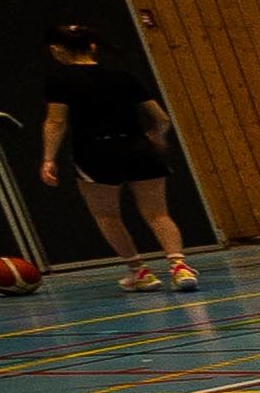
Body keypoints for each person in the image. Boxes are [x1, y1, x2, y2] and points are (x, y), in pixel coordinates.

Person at [34, 21, 195, 290]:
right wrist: (157, 137)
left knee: (107, 215)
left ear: (56, 49)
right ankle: (180, 267)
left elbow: (56, 121)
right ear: (92, 46)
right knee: (158, 213)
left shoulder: (59, 79)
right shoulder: (123, 76)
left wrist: (48, 158)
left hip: (96, 152)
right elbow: (161, 118)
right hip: (139, 148)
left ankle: (139, 272)